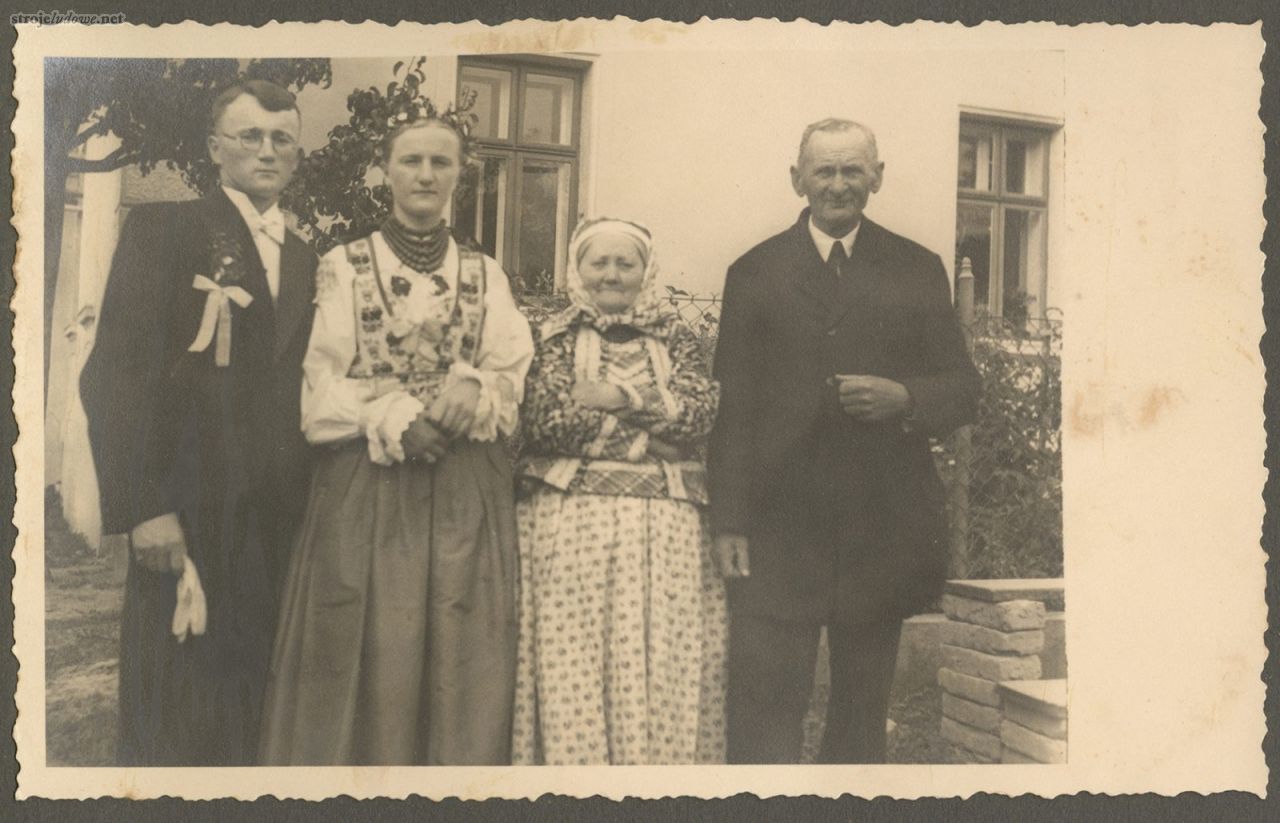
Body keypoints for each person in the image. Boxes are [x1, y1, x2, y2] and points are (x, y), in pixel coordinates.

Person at [257, 115, 534, 766]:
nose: (425, 175)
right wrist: (394, 415)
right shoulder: (343, 266)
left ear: (459, 177)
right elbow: (317, 390)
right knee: (368, 639)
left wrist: (476, 388)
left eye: (441, 163)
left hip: (465, 489)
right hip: (369, 490)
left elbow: (511, 370)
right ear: (385, 170)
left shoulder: (485, 272)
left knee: (461, 642)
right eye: (411, 161)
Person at [708, 118, 981, 764]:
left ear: (877, 177)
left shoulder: (916, 268)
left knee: (861, 711)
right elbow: (733, 409)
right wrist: (730, 522)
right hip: (779, 523)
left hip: (877, 524)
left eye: (852, 170)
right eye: (824, 171)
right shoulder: (755, 272)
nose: (837, 185)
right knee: (766, 700)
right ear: (797, 179)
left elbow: (964, 386)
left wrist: (905, 397)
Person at [80, 79, 317, 765]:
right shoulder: (167, 230)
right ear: (215, 148)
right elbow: (116, 374)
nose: (266, 151)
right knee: (173, 710)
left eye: (281, 139)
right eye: (250, 136)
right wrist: (144, 505)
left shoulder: (306, 260)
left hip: (275, 524)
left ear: (296, 155)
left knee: (252, 712)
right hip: (185, 512)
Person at [511, 218, 727, 765]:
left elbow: (699, 415)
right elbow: (547, 421)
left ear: (645, 271)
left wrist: (613, 394)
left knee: (658, 659)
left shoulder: (676, 338)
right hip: (570, 524)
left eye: (625, 263)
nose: (611, 275)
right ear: (577, 270)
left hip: (665, 533)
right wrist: (654, 435)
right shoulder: (554, 337)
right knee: (574, 662)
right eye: (598, 263)